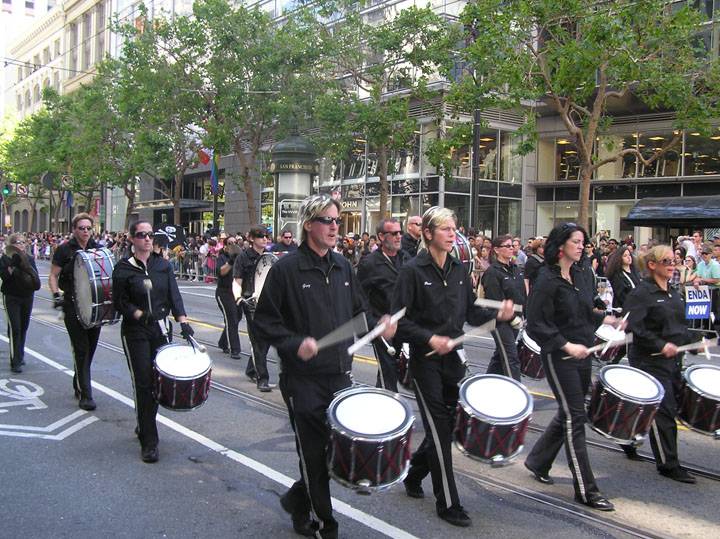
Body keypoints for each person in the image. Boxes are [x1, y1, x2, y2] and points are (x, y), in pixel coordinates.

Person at [254, 194, 394, 539]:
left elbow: (360, 313)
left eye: (336, 221)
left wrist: (379, 324)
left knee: (336, 452)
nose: (335, 227)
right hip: (302, 380)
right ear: (308, 225)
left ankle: (297, 500)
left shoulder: (343, 266)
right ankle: (324, 525)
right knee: (314, 456)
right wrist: (294, 343)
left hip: (339, 375)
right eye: (327, 221)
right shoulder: (286, 270)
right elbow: (264, 322)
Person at [392, 206, 514, 528]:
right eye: (445, 229)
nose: (452, 234)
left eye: (454, 228)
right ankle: (448, 502)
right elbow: (398, 322)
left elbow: (471, 312)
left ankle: (414, 472)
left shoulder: (459, 269)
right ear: (428, 233)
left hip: (454, 360)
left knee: (446, 425)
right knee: (440, 428)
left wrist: (497, 315)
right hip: (424, 361)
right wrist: (429, 337)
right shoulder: (411, 271)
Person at [524, 222, 623, 512]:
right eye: (576, 242)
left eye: (583, 242)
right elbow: (536, 324)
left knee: (572, 411)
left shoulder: (580, 274)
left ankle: (538, 460)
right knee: (575, 417)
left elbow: (583, 311)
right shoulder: (546, 280)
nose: (582, 247)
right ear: (561, 245)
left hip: (583, 353)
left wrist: (607, 319)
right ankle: (586, 489)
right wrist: (566, 346)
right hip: (560, 357)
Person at [112, 221, 194, 463]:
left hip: (160, 329)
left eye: (150, 235)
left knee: (158, 383)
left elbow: (173, 294)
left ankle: (145, 423)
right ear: (132, 239)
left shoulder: (162, 265)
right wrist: (139, 314)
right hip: (136, 330)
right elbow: (119, 302)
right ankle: (149, 440)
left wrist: (183, 321)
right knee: (143, 382)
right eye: (142, 235)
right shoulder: (123, 268)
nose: (147, 239)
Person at [623, 246, 702, 483]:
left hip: (673, 361)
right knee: (664, 411)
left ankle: (627, 437)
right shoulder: (642, 294)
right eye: (666, 260)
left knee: (659, 407)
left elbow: (679, 328)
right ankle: (668, 464)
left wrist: (695, 343)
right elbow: (634, 328)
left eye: (673, 260)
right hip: (650, 360)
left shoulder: (673, 293)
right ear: (652, 265)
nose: (672, 264)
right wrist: (660, 344)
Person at [49, 213, 102, 411]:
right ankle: (86, 395)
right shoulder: (64, 250)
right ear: (74, 230)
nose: (86, 232)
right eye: (82, 228)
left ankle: (78, 380)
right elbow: (53, 275)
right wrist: (56, 295)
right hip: (72, 303)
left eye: (89, 228)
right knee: (81, 349)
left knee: (91, 348)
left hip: (94, 305)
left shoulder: (98, 249)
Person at [356, 218, 410, 392]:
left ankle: (381, 400)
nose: (399, 236)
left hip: (405, 326)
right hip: (383, 330)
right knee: (388, 374)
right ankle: (388, 404)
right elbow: (359, 301)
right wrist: (374, 325)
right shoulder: (369, 264)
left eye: (400, 232)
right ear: (381, 236)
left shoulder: (406, 259)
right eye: (394, 233)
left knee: (408, 372)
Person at [233, 225, 272, 392]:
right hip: (251, 304)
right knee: (257, 341)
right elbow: (237, 281)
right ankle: (262, 378)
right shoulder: (242, 258)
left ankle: (251, 368)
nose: (265, 239)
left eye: (266, 236)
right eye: (261, 236)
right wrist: (238, 298)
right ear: (252, 239)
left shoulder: (269, 257)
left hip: (268, 304)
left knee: (266, 339)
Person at [482, 234, 526, 381]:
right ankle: (516, 388)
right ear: (496, 250)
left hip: (516, 318)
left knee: (500, 356)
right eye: (507, 246)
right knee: (511, 356)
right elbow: (495, 301)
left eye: (512, 246)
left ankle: (486, 383)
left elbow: (521, 294)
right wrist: (511, 317)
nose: (511, 248)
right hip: (499, 321)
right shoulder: (493, 272)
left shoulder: (515, 269)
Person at [0, 234, 41, 372]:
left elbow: (35, 278)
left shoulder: (29, 259)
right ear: (12, 244)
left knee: (23, 326)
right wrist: (12, 265)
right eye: (18, 242)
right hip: (12, 296)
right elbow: (5, 277)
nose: (21, 244)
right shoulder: (5, 259)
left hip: (27, 296)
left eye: (23, 242)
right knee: (15, 327)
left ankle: (20, 353)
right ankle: (15, 360)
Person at [216, 236, 242, 359]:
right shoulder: (222, 258)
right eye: (230, 243)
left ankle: (223, 341)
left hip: (237, 292)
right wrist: (231, 261)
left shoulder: (241, 258)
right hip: (224, 292)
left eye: (235, 243)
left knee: (237, 317)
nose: (233, 245)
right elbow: (221, 272)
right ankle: (235, 349)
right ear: (225, 246)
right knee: (232, 319)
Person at [606, 246, 641, 311]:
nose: (628, 257)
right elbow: (621, 295)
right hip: (624, 308)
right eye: (625, 256)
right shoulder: (617, 276)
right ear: (619, 258)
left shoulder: (634, 272)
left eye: (629, 255)